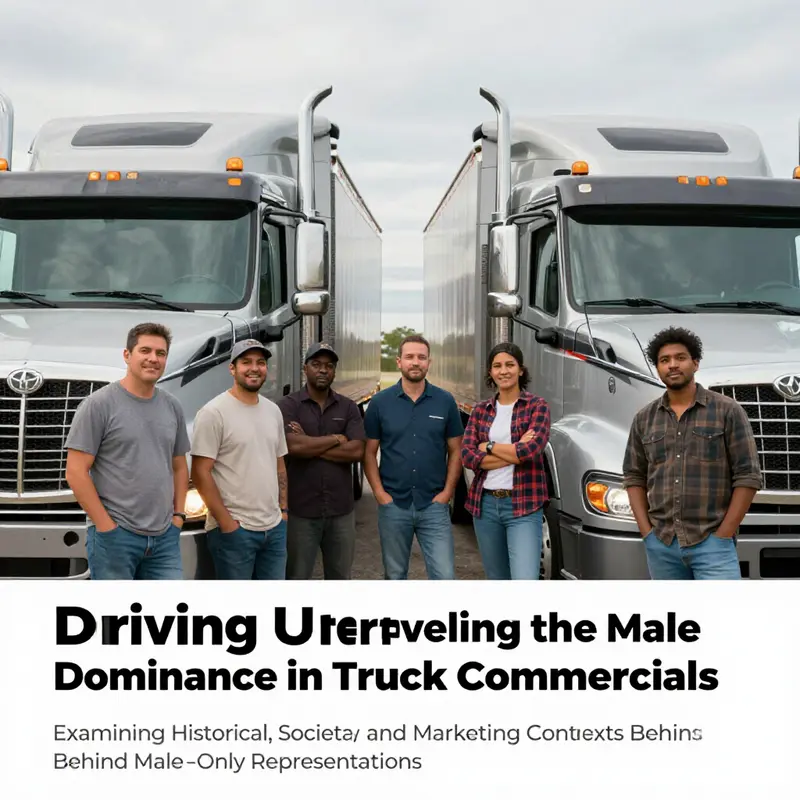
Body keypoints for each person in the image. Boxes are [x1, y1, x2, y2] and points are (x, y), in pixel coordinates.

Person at [622, 326, 762, 580]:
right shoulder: (644, 418)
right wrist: (647, 533)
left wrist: (724, 533)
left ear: (695, 363)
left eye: (680, 358)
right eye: (665, 360)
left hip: (712, 543)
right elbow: (634, 477)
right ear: (658, 368)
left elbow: (748, 476)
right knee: (675, 620)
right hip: (662, 544)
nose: (672, 365)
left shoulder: (727, 411)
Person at [65, 322, 190, 580]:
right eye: (145, 351)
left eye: (161, 353)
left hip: (164, 538)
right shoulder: (98, 405)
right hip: (115, 536)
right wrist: (105, 526)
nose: (153, 359)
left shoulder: (172, 406)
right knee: (116, 617)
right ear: (127, 355)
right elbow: (76, 472)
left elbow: (179, 466)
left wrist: (178, 516)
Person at [364, 334, 463, 580]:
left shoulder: (445, 401)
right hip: (394, 504)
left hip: (434, 505)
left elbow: (456, 450)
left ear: (429, 362)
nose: (415, 362)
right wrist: (379, 493)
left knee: (445, 576)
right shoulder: (379, 403)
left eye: (421, 357)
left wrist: (447, 493)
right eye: (409, 357)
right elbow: (368, 452)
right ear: (399, 362)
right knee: (395, 576)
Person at [190, 339, 289, 580]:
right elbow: (201, 472)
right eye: (246, 362)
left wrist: (283, 511)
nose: (254, 368)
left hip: (274, 528)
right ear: (232, 369)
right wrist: (226, 522)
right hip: (235, 531)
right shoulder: (213, 413)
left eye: (261, 362)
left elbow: (279, 462)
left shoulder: (272, 410)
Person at [460, 343, 551, 580]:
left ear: (521, 370)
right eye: (497, 366)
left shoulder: (537, 406)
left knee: (524, 580)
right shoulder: (481, 410)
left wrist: (488, 447)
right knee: (497, 580)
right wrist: (514, 451)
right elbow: (468, 456)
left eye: (510, 365)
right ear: (490, 372)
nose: (504, 371)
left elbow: (530, 451)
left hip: (523, 505)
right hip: (486, 506)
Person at [278, 343, 366, 579]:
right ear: (305, 368)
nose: (323, 370)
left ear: (335, 371)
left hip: (341, 512)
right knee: (296, 578)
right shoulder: (288, 405)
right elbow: (291, 446)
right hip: (301, 511)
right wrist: (336, 439)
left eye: (329, 366)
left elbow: (357, 451)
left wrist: (309, 442)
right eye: (316, 364)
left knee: (339, 580)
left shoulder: (348, 407)